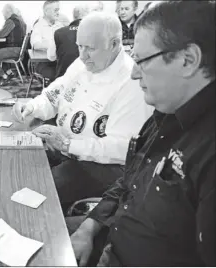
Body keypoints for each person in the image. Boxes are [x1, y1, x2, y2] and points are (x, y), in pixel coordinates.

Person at [69, 1, 215, 266]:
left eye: (141, 61)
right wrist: (88, 229)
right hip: (109, 237)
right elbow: (128, 183)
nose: (134, 73)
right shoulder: (165, 113)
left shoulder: (208, 150)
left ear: (188, 60)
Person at [12, 12, 153, 211]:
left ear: (114, 44)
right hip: (67, 148)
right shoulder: (84, 63)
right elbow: (57, 92)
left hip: (102, 165)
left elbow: (121, 149)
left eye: (90, 48)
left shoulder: (131, 83)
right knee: (20, 165)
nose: (82, 55)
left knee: (38, 190)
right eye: (80, 46)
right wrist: (33, 106)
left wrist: (69, 144)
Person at [0, 4, 26, 86]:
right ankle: (8, 72)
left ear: (8, 12)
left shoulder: (11, 21)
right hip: (19, 49)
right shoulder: (21, 20)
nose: (4, 16)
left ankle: (3, 76)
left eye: (4, 14)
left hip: (14, 49)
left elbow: (0, 35)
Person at [47, 3, 91, 80]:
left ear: (73, 16)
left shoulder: (58, 32)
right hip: (88, 80)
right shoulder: (95, 32)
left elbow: (51, 57)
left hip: (64, 79)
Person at [30, 1, 70, 82]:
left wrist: (68, 25)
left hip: (59, 62)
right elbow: (36, 45)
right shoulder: (38, 26)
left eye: (58, 10)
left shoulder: (60, 24)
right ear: (46, 11)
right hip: (44, 63)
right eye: (55, 10)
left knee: (72, 73)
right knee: (58, 76)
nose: (58, 13)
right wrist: (56, 45)